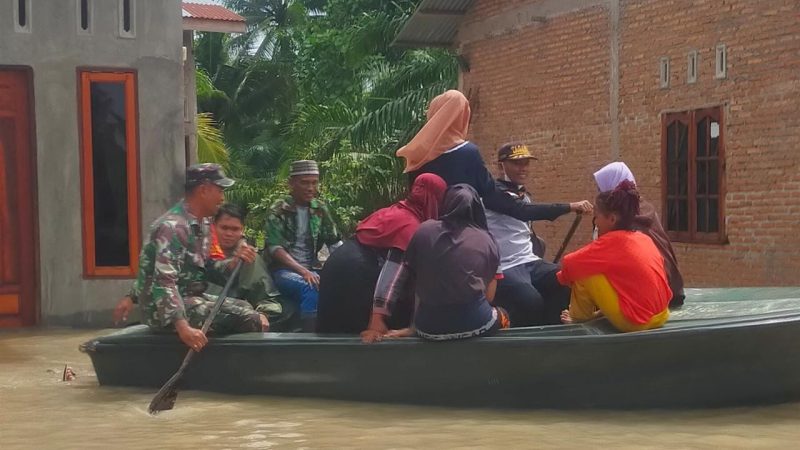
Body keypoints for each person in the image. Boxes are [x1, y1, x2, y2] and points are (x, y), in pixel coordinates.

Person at [129, 164, 268, 352]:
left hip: (191, 297)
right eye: (219, 190)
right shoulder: (173, 227)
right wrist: (183, 327)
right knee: (249, 319)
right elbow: (164, 282)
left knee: (245, 306)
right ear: (204, 190)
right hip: (163, 311)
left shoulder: (202, 224)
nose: (222, 198)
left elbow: (206, 267)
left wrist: (234, 262)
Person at [396, 90, 587, 222]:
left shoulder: (416, 154)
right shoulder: (467, 152)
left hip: (421, 234)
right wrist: (565, 207)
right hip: (460, 239)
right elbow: (500, 201)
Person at [113, 203, 293, 328]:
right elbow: (166, 272)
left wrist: (261, 317)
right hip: (191, 308)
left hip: (228, 314)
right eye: (224, 228)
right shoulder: (199, 245)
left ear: (242, 231)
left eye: (235, 229)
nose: (229, 234)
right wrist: (131, 296)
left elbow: (267, 300)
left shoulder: (248, 258)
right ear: (214, 227)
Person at [316, 173, 447, 339]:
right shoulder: (410, 226)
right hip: (357, 272)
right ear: (434, 200)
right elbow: (393, 274)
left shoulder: (391, 211)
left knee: (331, 336)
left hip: (335, 264)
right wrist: (378, 318)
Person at [486, 143, 592, 326]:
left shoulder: (523, 194)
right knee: (530, 300)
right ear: (501, 166)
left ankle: (555, 331)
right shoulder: (492, 193)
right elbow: (522, 211)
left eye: (526, 163)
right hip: (506, 265)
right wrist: (569, 207)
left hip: (529, 260)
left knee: (566, 280)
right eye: (517, 163)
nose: (523, 168)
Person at [558, 180, 672, 332]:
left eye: (596, 217)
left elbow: (569, 264)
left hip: (637, 322)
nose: (595, 222)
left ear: (612, 219)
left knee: (583, 271)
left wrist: (565, 278)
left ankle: (579, 318)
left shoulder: (610, 242)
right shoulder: (643, 238)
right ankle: (598, 314)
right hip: (662, 314)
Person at [402, 184, 510, 341]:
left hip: (427, 328)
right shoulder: (487, 239)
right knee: (504, 315)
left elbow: (417, 284)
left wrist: (414, 326)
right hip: (476, 324)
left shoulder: (424, 231)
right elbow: (489, 297)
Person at [593, 162, 685, 307]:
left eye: (601, 188)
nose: (599, 194)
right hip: (671, 288)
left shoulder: (620, 219)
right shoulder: (645, 208)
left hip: (655, 296)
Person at [265, 160, 342, 330]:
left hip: (312, 268)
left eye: (314, 183)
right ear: (291, 184)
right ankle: (309, 336)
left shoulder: (320, 208)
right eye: (305, 183)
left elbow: (335, 242)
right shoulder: (279, 209)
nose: (310, 188)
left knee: (341, 284)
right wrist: (303, 271)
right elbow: (275, 248)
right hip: (282, 270)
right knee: (310, 287)